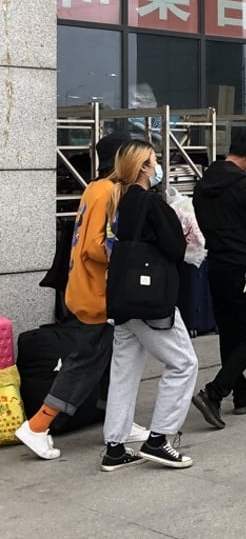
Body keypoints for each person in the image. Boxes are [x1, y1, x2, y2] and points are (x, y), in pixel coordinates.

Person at [16, 134, 152, 460]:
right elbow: (96, 246)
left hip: (86, 288)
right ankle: (37, 425)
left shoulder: (94, 188)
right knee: (86, 362)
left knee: (112, 359)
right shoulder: (109, 191)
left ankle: (118, 422)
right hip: (99, 293)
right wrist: (131, 255)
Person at [100, 140, 199, 471]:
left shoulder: (122, 200)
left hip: (123, 296)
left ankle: (115, 447)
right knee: (184, 363)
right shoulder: (152, 203)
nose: (158, 167)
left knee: (124, 370)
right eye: (154, 161)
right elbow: (174, 248)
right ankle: (159, 439)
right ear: (143, 167)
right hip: (150, 299)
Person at [190, 133, 246, 429]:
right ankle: (214, 393)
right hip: (245, 267)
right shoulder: (244, 184)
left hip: (216, 264)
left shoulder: (203, 184)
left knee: (230, 333)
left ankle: (242, 394)